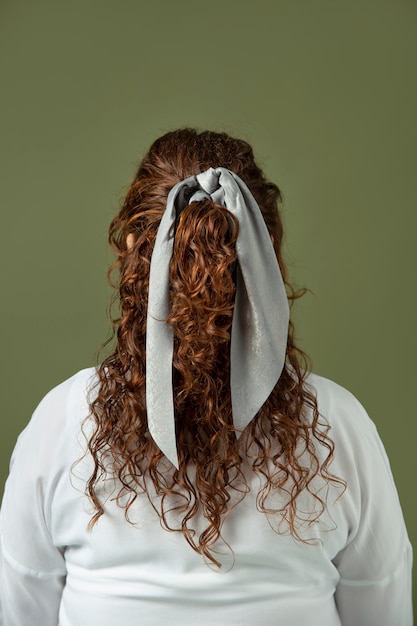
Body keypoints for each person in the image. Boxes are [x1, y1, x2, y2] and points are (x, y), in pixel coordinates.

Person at [0, 129, 412, 625]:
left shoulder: (61, 424)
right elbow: (382, 612)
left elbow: (19, 611)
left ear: (132, 250)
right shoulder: (340, 427)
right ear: (270, 257)